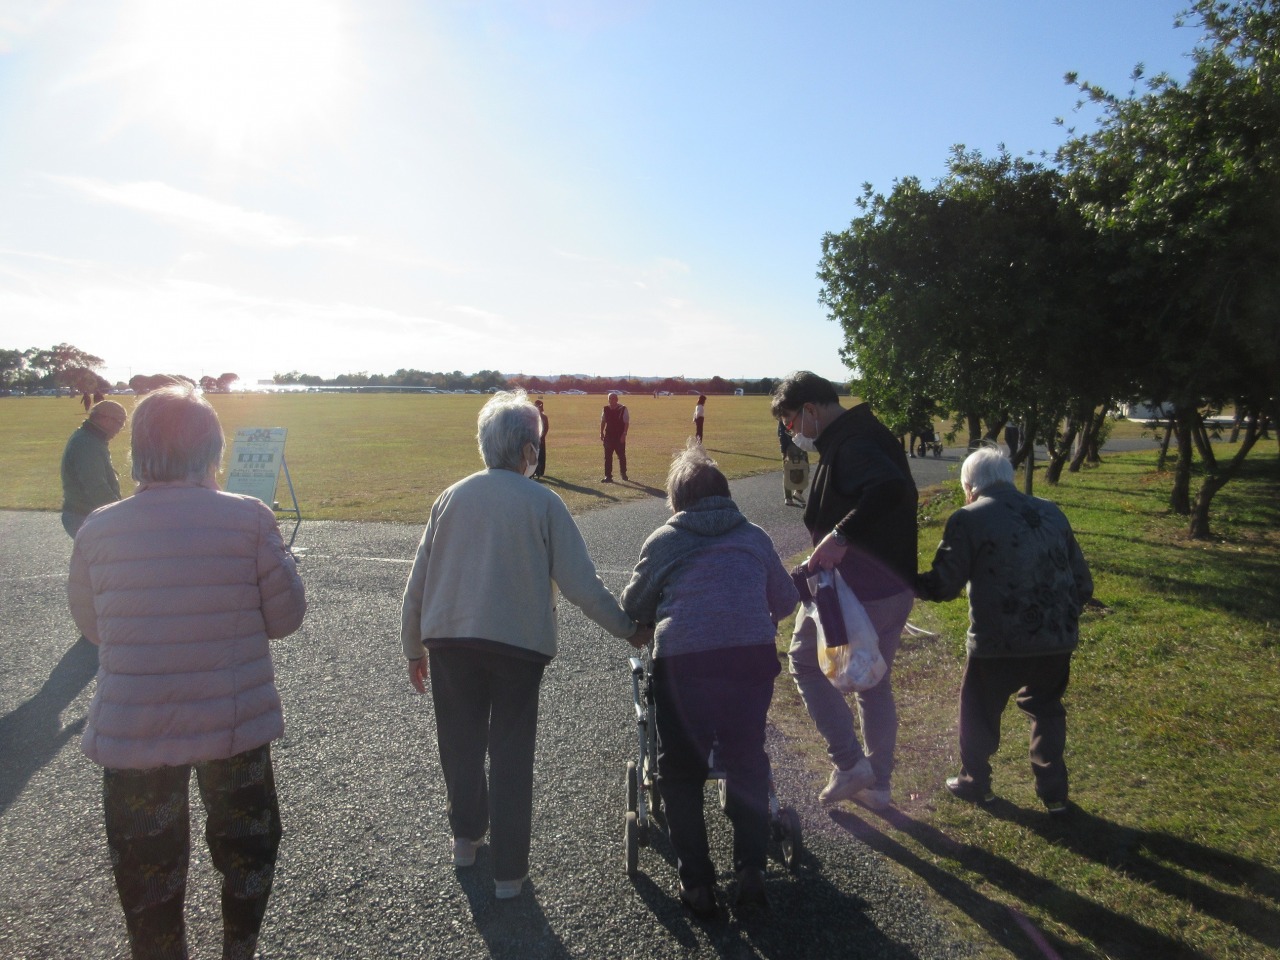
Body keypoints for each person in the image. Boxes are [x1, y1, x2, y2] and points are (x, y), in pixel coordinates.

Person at [67, 383, 306, 960]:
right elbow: (285, 617)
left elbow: (94, 627)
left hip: (134, 729)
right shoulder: (249, 519)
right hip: (230, 723)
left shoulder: (99, 528)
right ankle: (239, 949)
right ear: (211, 452)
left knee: (148, 868)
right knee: (246, 849)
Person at [401, 390, 649, 900]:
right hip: (517, 647)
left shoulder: (450, 496)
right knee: (511, 755)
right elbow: (581, 584)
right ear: (527, 450)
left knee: (460, 745)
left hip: (449, 641)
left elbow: (418, 582)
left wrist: (412, 647)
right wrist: (628, 627)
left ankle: (465, 839)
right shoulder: (544, 503)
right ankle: (508, 874)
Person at [621, 442, 798, 918]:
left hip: (685, 664)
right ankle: (750, 871)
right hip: (749, 659)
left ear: (677, 499)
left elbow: (632, 605)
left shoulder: (664, 540)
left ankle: (697, 883)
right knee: (745, 759)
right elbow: (784, 601)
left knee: (679, 770)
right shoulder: (754, 536)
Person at [915, 446, 1092, 814]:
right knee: (1046, 710)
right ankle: (1055, 794)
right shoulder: (1051, 511)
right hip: (1056, 639)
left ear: (969, 485)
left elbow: (944, 586)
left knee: (978, 712)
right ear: (1008, 478)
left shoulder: (968, 517)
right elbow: (1082, 582)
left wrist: (903, 579)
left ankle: (974, 783)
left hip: (999, 642)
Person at [770, 371, 918, 809]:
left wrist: (839, 536)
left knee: (805, 662)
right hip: (891, 588)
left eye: (793, 422)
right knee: (874, 683)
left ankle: (850, 762)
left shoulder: (852, 443)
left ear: (812, 409)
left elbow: (891, 488)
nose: (794, 433)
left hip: (859, 594)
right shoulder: (861, 433)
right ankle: (879, 784)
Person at [60, 399, 128, 537]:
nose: (120, 428)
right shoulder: (87, 444)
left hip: (87, 515)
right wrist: (118, 515)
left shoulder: (92, 438)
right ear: (105, 418)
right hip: (85, 517)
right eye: (120, 422)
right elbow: (96, 487)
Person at [600, 391, 630, 482]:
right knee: (607, 457)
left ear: (617, 399)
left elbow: (626, 422)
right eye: (610, 398)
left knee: (621, 456)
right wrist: (601, 432)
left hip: (619, 436)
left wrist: (624, 434)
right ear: (608, 400)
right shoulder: (605, 409)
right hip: (608, 436)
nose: (612, 400)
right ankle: (608, 476)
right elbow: (603, 421)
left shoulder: (623, 408)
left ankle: (623, 473)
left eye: (614, 398)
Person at [534, 398, 548, 478]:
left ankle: (540, 470)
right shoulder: (533, 417)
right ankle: (535, 470)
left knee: (541, 455)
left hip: (540, 439)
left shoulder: (544, 417)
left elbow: (546, 428)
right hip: (534, 438)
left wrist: (542, 436)